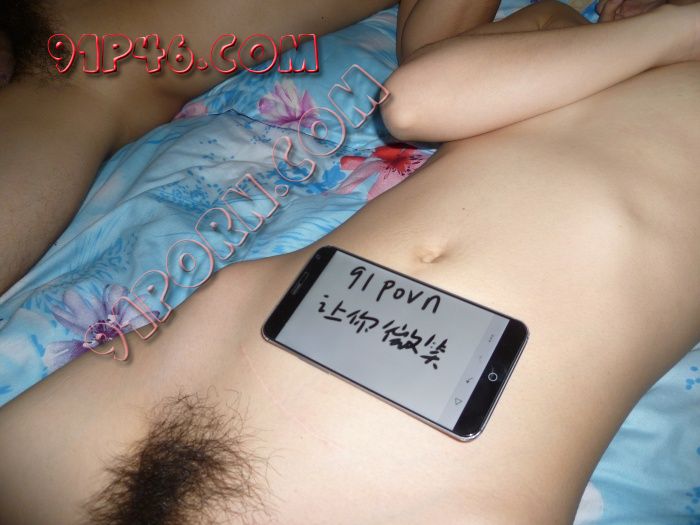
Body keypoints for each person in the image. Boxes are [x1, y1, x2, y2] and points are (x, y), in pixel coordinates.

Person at [0, 0, 698, 523]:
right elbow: (419, 98)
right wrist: (671, 29)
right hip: (105, 415)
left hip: (411, 478)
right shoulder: (563, 29)